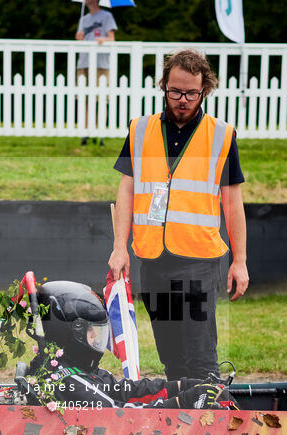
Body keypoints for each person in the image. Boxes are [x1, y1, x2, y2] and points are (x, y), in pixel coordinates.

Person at [109, 48, 248, 381]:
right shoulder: (140, 130)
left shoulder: (221, 135)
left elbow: (232, 202)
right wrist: (119, 247)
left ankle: (210, 420)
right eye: (175, 91)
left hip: (198, 260)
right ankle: (180, 425)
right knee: (171, 357)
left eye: (191, 93)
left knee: (200, 356)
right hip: (153, 259)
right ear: (163, 86)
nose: (182, 100)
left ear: (205, 91)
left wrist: (239, 260)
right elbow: (127, 190)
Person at [26, 281, 225, 409]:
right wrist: (181, 403)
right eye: (89, 329)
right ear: (68, 333)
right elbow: (122, 415)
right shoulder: (69, 382)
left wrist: (179, 386)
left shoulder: (74, 369)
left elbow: (122, 390)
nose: (96, 335)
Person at [75, 0, 117, 146]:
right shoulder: (83, 19)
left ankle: (100, 133)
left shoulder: (106, 16)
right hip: (84, 63)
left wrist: (103, 39)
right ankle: (86, 132)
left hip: (101, 63)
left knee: (101, 99)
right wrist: (79, 38)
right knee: (85, 100)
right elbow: (80, 42)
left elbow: (112, 39)